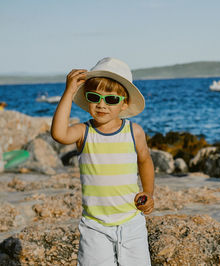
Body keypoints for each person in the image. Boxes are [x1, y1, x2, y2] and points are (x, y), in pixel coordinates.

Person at [51, 57, 154, 265]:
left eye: (111, 100)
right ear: (86, 99)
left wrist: (148, 192)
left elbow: (144, 160)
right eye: (94, 97)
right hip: (94, 226)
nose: (101, 105)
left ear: (124, 103)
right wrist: (69, 92)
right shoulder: (83, 132)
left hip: (131, 223)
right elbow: (59, 134)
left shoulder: (134, 132)